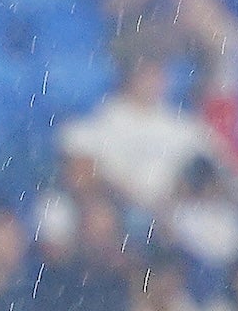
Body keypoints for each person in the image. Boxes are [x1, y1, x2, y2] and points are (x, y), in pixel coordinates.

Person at [58, 56, 222, 215]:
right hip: (117, 207)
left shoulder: (178, 122)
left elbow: (215, 158)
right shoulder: (107, 115)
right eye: (146, 75)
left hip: (172, 209)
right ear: (131, 78)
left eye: (157, 75)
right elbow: (73, 146)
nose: (152, 83)